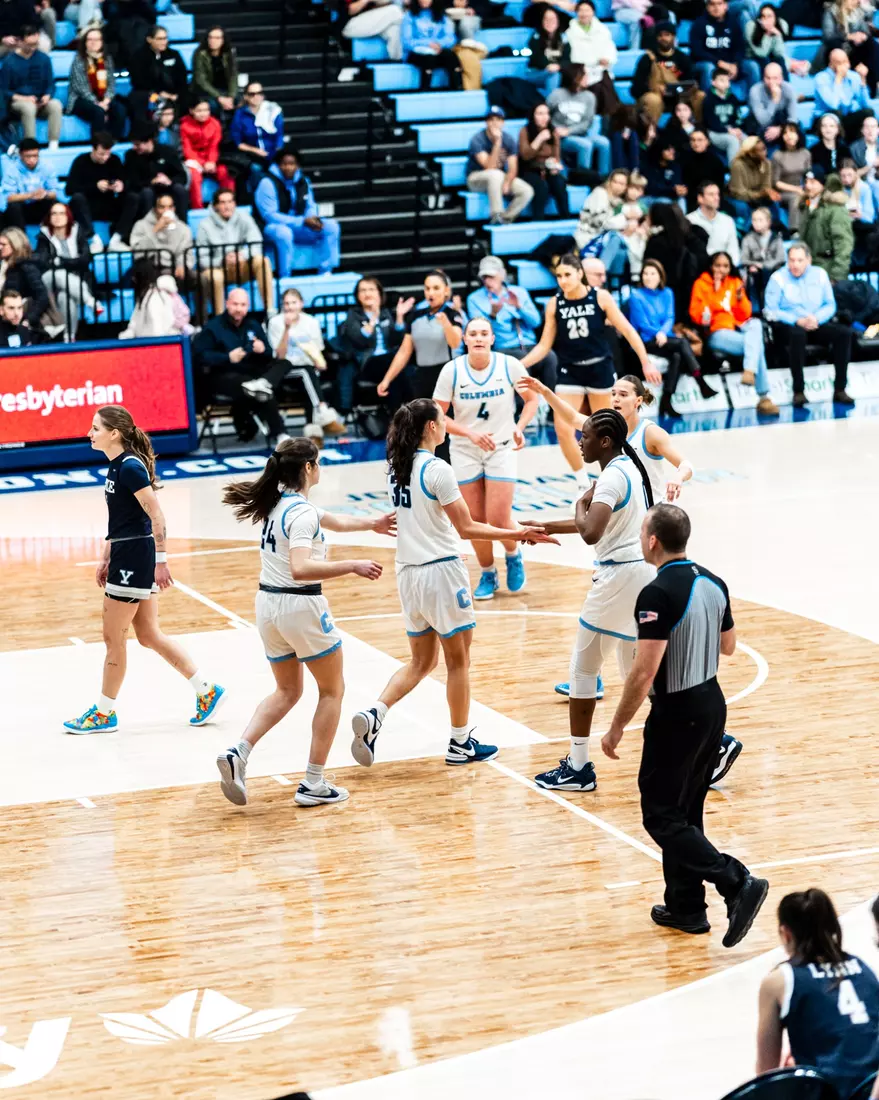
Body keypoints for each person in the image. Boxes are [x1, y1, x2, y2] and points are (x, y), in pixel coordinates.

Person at [349, 398, 554, 768]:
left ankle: (376, 712)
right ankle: (460, 743)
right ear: (430, 427)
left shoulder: (399, 466)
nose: (446, 425)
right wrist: (517, 531)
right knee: (458, 663)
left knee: (420, 661)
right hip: (440, 572)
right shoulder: (437, 468)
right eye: (443, 420)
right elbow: (467, 527)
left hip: (408, 574)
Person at [600, 502, 768, 947]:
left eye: (641, 533)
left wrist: (617, 726)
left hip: (677, 710)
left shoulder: (656, 593)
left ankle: (736, 882)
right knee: (686, 809)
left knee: (660, 814)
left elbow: (644, 671)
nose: (640, 539)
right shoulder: (713, 582)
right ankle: (686, 907)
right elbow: (729, 646)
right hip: (713, 702)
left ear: (653, 541)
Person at [216, 438, 394, 808]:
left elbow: (334, 520)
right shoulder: (302, 514)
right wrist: (352, 565)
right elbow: (300, 568)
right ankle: (313, 781)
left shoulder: (279, 504)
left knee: (287, 691)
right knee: (332, 690)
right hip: (300, 606)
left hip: (267, 606)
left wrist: (372, 524)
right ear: (309, 468)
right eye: (319, 462)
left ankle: (239, 752)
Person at [514, 407, 655, 789]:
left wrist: (578, 505)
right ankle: (710, 745)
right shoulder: (627, 466)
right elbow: (598, 524)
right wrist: (539, 527)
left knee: (583, 669)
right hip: (641, 574)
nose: (580, 440)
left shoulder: (610, 479)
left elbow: (590, 530)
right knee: (637, 675)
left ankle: (578, 767)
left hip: (619, 579)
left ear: (604, 441)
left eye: (586, 436)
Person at [63, 406, 225, 735]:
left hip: (135, 555)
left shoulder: (131, 468)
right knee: (148, 635)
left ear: (114, 434)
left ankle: (104, 713)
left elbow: (158, 516)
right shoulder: (117, 466)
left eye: (95, 428)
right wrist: (106, 555)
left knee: (113, 637)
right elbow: (122, 519)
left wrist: (161, 561)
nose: (89, 433)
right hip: (127, 551)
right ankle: (206, 689)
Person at [521, 252, 657, 488]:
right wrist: (520, 365)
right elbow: (545, 345)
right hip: (569, 371)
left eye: (567, 275)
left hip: (599, 369)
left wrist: (645, 361)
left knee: (607, 433)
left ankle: (615, 478)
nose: (562, 280)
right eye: (559, 276)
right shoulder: (555, 303)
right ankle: (582, 481)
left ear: (579, 274)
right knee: (563, 428)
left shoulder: (600, 297)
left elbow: (627, 330)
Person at [432, 318, 539, 600]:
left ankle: (513, 554)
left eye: (483, 333)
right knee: (475, 519)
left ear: (492, 338)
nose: (478, 338)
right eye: (473, 334)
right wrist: (469, 433)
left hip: (501, 446)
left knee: (499, 518)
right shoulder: (452, 370)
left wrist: (519, 426)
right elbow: (437, 415)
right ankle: (488, 572)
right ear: (465, 339)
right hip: (465, 448)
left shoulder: (509, 365)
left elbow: (531, 400)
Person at [756, 888, 879, 1095]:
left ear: (785, 933)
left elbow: (767, 1072)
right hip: (873, 1083)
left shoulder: (780, 979)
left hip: (832, 1091)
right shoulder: (862, 967)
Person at [193, 288, 292, 446]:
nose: (239, 308)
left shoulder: (253, 324)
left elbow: (269, 353)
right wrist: (227, 357)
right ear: (227, 304)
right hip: (223, 375)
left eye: (243, 305)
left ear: (248, 306)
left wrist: (263, 349)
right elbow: (199, 357)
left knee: (284, 363)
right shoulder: (213, 327)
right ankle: (280, 433)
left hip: (252, 371)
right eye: (235, 304)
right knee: (259, 390)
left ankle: (263, 383)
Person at [764, 242, 854, 406]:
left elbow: (830, 304)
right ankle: (798, 391)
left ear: (808, 260)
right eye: (791, 260)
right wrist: (796, 320)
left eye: (799, 260)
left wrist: (817, 319)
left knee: (844, 333)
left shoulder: (820, 274)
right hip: (788, 324)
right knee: (797, 334)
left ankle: (840, 389)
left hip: (814, 321)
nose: (795, 265)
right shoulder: (777, 278)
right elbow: (770, 310)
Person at [690, 251, 780, 415]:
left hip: (737, 329)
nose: (721, 269)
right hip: (716, 332)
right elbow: (697, 316)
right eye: (718, 265)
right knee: (756, 345)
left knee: (756, 324)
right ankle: (764, 397)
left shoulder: (735, 282)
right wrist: (715, 291)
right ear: (711, 266)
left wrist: (739, 298)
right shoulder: (701, 284)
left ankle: (749, 371)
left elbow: (744, 315)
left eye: (725, 266)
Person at [628, 259, 717, 417]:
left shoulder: (667, 293)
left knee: (677, 356)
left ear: (660, 276)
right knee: (682, 342)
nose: (648, 277)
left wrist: (663, 332)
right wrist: (658, 333)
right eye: (645, 274)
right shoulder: (636, 295)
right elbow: (642, 323)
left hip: (665, 339)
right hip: (647, 340)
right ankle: (700, 381)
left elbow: (670, 317)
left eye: (652, 273)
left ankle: (666, 402)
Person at [466, 254, 557, 387]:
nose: (487, 281)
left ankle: (552, 404)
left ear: (502, 275)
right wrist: (493, 314)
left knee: (550, 357)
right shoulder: (474, 299)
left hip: (529, 343)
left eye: (491, 276)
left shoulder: (519, 292)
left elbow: (536, 322)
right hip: (504, 347)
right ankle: (525, 406)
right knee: (519, 362)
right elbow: (479, 331)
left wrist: (519, 307)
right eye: (484, 277)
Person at [377, 268, 465, 403]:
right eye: (427, 288)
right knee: (422, 419)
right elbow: (404, 352)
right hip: (421, 375)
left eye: (436, 288)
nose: (431, 293)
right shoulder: (415, 316)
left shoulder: (452, 314)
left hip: (444, 374)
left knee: (445, 419)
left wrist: (446, 324)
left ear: (446, 290)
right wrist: (387, 379)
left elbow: (455, 343)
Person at [267, 288, 344, 438]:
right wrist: (287, 329)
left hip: (309, 370)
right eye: (286, 303)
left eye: (294, 302)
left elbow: (318, 350)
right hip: (286, 370)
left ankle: (314, 434)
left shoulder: (311, 322)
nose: (290, 307)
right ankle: (322, 409)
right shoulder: (275, 323)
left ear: (301, 304)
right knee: (306, 373)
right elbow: (279, 355)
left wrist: (320, 363)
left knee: (310, 376)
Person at [255, 148, 341, 278]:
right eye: (284, 164)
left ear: (297, 166)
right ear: (278, 165)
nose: (288, 167)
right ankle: (285, 275)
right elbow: (269, 215)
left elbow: (310, 205)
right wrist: (301, 221)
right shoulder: (267, 183)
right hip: (271, 228)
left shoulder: (303, 181)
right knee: (284, 233)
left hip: (299, 225)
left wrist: (312, 218)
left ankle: (326, 271)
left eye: (292, 164)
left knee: (331, 226)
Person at [195, 188, 273, 318]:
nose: (227, 206)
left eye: (230, 202)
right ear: (215, 206)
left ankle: (270, 311)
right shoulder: (204, 225)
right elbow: (201, 258)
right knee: (215, 276)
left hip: (242, 265)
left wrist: (242, 255)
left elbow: (257, 244)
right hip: (219, 269)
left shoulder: (245, 218)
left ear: (235, 204)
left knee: (262, 260)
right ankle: (220, 319)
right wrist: (222, 260)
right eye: (222, 202)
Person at [36, 201, 102, 339]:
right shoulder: (43, 236)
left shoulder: (77, 232)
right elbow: (45, 263)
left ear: (68, 216)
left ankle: (69, 337)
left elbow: (85, 259)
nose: (57, 216)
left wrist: (60, 261)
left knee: (65, 297)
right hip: (50, 281)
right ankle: (90, 301)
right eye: (54, 213)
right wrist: (72, 262)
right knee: (59, 274)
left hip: (76, 282)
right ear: (49, 217)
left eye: (62, 213)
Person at [342, 275, 407, 411]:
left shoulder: (386, 313)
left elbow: (396, 341)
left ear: (379, 293)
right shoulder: (353, 315)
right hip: (368, 362)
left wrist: (400, 317)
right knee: (395, 365)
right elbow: (359, 341)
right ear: (357, 295)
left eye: (371, 289)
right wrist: (372, 319)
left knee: (397, 373)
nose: (367, 293)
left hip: (389, 361)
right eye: (363, 290)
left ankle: (396, 420)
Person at [67, 133, 138, 254]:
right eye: (101, 154)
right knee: (77, 199)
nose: (105, 157)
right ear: (93, 149)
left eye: (108, 153)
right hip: (89, 206)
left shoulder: (114, 160)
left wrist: (121, 186)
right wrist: (95, 186)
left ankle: (117, 239)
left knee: (133, 197)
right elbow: (70, 189)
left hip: (110, 203)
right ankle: (93, 239)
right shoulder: (81, 161)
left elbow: (125, 181)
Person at [465, 106, 534, 225]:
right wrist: (497, 143)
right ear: (486, 122)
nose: (494, 123)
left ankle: (506, 218)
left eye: (498, 119)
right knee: (495, 174)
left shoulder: (508, 139)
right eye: (491, 119)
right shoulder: (477, 139)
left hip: (498, 178)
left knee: (527, 191)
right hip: (475, 179)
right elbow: (489, 167)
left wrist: (507, 183)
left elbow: (513, 167)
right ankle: (496, 214)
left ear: (503, 122)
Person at [645, 201, 709, 321]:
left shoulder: (658, 242)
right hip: (689, 290)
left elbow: (649, 266)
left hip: (667, 291)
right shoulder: (693, 237)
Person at [0, 26, 61, 148]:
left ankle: (53, 144)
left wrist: (47, 95)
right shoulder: (9, 62)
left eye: (36, 44)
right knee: (29, 107)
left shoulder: (44, 58)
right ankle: (30, 146)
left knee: (56, 105)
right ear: (20, 42)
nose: (33, 47)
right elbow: (4, 91)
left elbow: (50, 84)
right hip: (18, 103)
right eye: (30, 44)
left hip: (40, 101)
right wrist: (23, 98)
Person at [123, 121, 189, 228]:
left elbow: (182, 176)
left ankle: (183, 227)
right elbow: (132, 182)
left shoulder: (167, 152)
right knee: (147, 193)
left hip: (167, 189)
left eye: (138, 144)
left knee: (180, 190)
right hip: (146, 190)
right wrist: (151, 182)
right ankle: (149, 228)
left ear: (149, 141)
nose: (135, 147)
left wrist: (169, 181)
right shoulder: (131, 156)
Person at [632, 21, 699, 125]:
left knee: (700, 96)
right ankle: (649, 136)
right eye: (660, 35)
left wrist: (678, 90)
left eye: (667, 35)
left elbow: (689, 81)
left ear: (673, 37)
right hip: (654, 97)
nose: (663, 38)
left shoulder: (682, 58)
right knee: (653, 100)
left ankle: (698, 132)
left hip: (678, 97)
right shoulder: (647, 58)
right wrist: (655, 89)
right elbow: (635, 88)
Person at [66, 27, 127, 139]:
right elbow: (80, 87)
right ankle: (98, 144)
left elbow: (111, 84)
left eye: (97, 39)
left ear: (102, 42)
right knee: (98, 112)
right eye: (90, 40)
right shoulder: (79, 60)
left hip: (104, 98)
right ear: (85, 42)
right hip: (81, 99)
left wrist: (106, 100)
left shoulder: (107, 59)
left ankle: (113, 141)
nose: (93, 43)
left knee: (120, 109)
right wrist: (98, 103)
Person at [689, 0, 759, 96]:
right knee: (708, 67)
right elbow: (697, 51)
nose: (716, 8)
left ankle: (754, 104)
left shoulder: (733, 23)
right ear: (707, 7)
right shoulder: (699, 24)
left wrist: (735, 64)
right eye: (712, 4)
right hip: (708, 63)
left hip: (730, 64)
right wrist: (720, 63)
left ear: (726, 6)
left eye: (720, 4)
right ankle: (710, 104)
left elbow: (739, 47)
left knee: (752, 66)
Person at [563, 0, 619, 116]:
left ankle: (609, 117)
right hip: (579, 69)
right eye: (581, 10)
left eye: (587, 10)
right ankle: (607, 117)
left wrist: (606, 59)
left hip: (599, 67)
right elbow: (570, 57)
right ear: (576, 12)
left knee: (604, 82)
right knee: (598, 87)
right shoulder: (569, 32)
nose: (584, 14)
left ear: (593, 12)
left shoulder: (602, 30)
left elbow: (610, 49)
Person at [800, 169, 854, 284]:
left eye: (813, 182)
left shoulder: (835, 209)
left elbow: (843, 245)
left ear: (823, 185)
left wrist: (836, 277)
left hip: (828, 271)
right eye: (806, 181)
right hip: (809, 270)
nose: (808, 186)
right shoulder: (806, 206)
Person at [518, 101, 570, 219]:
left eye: (546, 114)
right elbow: (525, 156)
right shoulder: (525, 131)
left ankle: (566, 218)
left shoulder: (553, 132)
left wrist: (555, 166)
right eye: (540, 114)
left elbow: (556, 156)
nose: (544, 117)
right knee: (542, 187)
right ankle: (538, 220)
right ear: (533, 116)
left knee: (559, 183)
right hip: (529, 169)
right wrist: (539, 139)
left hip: (547, 169)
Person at [118, 254, 190, 339]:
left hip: (166, 344)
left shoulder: (155, 298)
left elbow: (158, 332)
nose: (133, 280)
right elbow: (134, 324)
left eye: (135, 276)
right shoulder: (144, 296)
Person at [180, 98, 233, 211]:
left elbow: (214, 145)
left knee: (225, 172)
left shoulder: (215, 124)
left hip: (212, 160)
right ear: (191, 111)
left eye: (206, 110)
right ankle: (197, 209)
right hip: (193, 161)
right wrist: (201, 164)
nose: (203, 114)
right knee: (194, 176)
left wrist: (211, 161)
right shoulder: (184, 125)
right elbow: (187, 148)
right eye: (199, 111)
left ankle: (227, 207)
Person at [546, 63, 599, 175]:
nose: (587, 77)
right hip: (560, 137)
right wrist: (555, 129)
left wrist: (569, 131)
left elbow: (587, 122)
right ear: (575, 77)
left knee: (604, 143)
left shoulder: (590, 96)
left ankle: (604, 177)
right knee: (586, 145)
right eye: (584, 75)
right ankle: (582, 177)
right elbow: (545, 115)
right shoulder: (556, 95)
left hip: (580, 133)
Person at [573, 168, 629, 273]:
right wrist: (625, 220)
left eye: (622, 184)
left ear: (626, 187)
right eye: (615, 182)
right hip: (588, 238)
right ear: (609, 181)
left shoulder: (619, 202)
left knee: (621, 252)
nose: (617, 186)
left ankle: (614, 285)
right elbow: (602, 222)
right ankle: (600, 274)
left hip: (602, 240)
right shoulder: (600, 193)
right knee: (615, 237)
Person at [128, 23, 188, 122]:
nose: (164, 42)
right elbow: (138, 81)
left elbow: (182, 76)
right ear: (149, 39)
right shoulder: (138, 56)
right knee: (145, 99)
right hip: (151, 93)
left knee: (189, 99)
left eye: (165, 38)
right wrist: (159, 92)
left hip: (174, 93)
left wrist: (176, 94)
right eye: (160, 39)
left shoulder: (174, 54)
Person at [130, 191, 193, 281]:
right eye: (162, 207)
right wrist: (155, 230)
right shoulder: (141, 225)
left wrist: (182, 265)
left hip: (175, 269)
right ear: (155, 209)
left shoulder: (183, 228)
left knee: (200, 279)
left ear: (174, 209)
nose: (166, 211)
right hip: (151, 270)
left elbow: (186, 252)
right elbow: (138, 253)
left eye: (170, 207)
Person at [228, 82, 286, 180]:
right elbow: (238, 142)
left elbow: (279, 135)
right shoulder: (240, 114)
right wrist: (255, 150)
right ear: (246, 96)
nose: (256, 97)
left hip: (273, 154)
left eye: (259, 93)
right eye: (252, 94)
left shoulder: (273, 111)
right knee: (256, 170)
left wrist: (277, 152)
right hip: (251, 156)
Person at [822, 0, 879, 96]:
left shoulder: (858, 12)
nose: (857, 1)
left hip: (854, 51)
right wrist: (849, 37)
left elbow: (865, 32)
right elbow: (828, 36)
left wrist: (862, 36)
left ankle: (876, 84)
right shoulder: (830, 12)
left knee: (871, 43)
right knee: (837, 45)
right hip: (837, 49)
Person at [401, 0, 460, 90]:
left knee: (450, 56)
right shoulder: (409, 16)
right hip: (416, 52)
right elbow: (407, 41)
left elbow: (451, 38)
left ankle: (456, 89)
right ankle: (424, 90)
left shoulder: (441, 16)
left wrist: (439, 44)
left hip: (437, 50)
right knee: (429, 59)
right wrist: (428, 44)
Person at [0, 138, 58, 230]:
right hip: (21, 209)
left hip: (40, 206)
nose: (32, 160)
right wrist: (31, 195)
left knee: (56, 205)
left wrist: (45, 194)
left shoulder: (47, 167)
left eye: (35, 156)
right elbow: (9, 197)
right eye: (28, 156)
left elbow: (54, 193)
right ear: (20, 155)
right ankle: (20, 240)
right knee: (13, 207)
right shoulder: (11, 170)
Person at [813, 49, 870, 138]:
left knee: (868, 113)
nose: (845, 65)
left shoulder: (853, 76)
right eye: (840, 62)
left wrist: (862, 81)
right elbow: (833, 105)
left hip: (846, 117)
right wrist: (838, 80)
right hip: (824, 118)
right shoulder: (821, 78)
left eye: (846, 61)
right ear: (831, 64)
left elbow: (865, 105)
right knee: (836, 113)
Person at [0, 226, 48, 330]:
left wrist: (28, 321)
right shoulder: (4, 265)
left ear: (15, 245)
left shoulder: (26, 266)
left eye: (3, 244)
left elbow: (42, 297)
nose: (0, 247)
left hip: (20, 322)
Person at [728, 137, 780, 229]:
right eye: (760, 150)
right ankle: (746, 231)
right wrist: (760, 194)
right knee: (743, 207)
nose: (764, 152)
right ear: (750, 153)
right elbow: (738, 193)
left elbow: (766, 186)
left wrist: (769, 193)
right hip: (737, 198)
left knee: (773, 202)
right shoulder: (737, 165)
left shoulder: (767, 163)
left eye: (764, 148)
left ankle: (774, 229)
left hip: (756, 196)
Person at [741, 206, 785, 306]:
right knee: (752, 275)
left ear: (768, 222)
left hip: (772, 270)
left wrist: (764, 266)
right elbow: (744, 259)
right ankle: (757, 309)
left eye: (760, 220)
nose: (756, 223)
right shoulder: (748, 238)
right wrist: (756, 265)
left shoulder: (776, 238)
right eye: (754, 220)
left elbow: (781, 258)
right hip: (755, 272)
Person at [686, 180, 740, 263]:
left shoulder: (728, 221)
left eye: (717, 194)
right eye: (711, 194)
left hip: (724, 268)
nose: (717, 198)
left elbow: (733, 250)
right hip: (698, 269)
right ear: (700, 198)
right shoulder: (689, 220)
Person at [191, 25, 238, 117]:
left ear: (223, 40)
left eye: (217, 38)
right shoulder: (200, 54)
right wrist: (219, 97)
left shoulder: (229, 53)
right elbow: (201, 80)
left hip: (225, 89)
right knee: (213, 105)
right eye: (210, 37)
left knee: (240, 101)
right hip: (206, 92)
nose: (213, 40)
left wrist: (231, 96)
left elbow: (233, 75)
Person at [748, 62, 797, 148]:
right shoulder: (755, 91)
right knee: (764, 133)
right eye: (768, 78)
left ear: (781, 78)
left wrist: (780, 129)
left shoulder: (789, 89)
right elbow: (763, 121)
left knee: (798, 131)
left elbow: (793, 118)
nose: (771, 82)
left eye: (775, 78)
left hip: (782, 123)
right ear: (763, 78)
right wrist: (774, 101)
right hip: (760, 125)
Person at [772, 121, 811, 230]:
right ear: (782, 137)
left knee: (810, 199)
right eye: (785, 133)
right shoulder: (777, 155)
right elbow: (776, 182)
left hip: (802, 190)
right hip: (783, 193)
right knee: (796, 198)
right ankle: (794, 231)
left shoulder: (805, 153)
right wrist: (796, 189)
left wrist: (808, 189)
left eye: (792, 132)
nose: (789, 135)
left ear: (798, 135)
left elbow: (808, 175)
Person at [704, 66, 745, 166]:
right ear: (713, 82)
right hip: (714, 132)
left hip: (731, 129)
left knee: (749, 141)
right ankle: (734, 174)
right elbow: (710, 122)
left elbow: (738, 116)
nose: (726, 83)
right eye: (721, 80)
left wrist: (738, 128)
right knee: (733, 141)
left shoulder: (732, 98)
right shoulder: (708, 99)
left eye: (727, 80)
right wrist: (728, 131)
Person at [526, 6, 568, 96]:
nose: (550, 22)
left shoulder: (564, 38)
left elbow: (567, 59)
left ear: (558, 21)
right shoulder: (535, 37)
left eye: (552, 19)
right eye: (546, 19)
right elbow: (536, 58)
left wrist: (558, 66)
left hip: (557, 72)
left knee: (555, 75)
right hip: (537, 73)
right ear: (542, 21)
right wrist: (548, 66)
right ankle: (551, 106)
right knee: (554, 75)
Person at [745, 5, 797, 75]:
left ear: (775, 17)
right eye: (763, 16)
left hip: (771, 55)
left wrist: (777, 35)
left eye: (769, 16)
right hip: (754, 56)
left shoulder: (782, 24)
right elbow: (762, 53)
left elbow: (779, 53)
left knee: (780, 60)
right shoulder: (751, 26)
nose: (766, 19)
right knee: (765, 60)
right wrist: (768, 34)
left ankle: (783, 84)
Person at [681, 128, 726, 208]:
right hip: (691, 200)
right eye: (693, 140)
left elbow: (720, 187)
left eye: (700, 140)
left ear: (707, 141)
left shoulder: (716, 162)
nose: (696, 143)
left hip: (712, 200)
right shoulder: (684, 160)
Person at [849, 112, 879, 209]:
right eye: (867, 127)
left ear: (878, 130)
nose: (870, 130)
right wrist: (871, 165)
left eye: (873, 127)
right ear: (862, 130)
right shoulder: (854, 148)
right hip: (862, 182)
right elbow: (851, 175)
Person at [810, 113, 851, 177]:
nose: (828, 129)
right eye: (824, 126)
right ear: (820, 129)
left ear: (838, 129)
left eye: (831, 126)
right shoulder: (813, 151)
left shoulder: (845, 150)